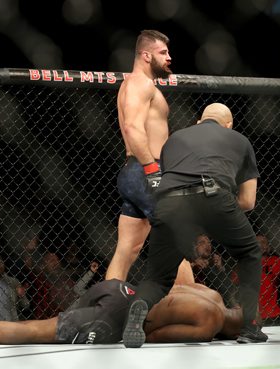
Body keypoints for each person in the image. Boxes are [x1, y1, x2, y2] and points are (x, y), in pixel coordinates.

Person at [122, 102, 268, 347]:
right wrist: (216, 215)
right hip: (214, 196)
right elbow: (248, 201)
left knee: (158, 277)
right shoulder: (239, 140)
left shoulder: (174, 139)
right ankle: (250, 327)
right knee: (249, 252)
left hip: (169, 203)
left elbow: (173, 181)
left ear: (199, 121)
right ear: (228, 125)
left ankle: (140, 307)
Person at [0, 279, 243, 345]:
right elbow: (151, 334)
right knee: (36, 334)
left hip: (117, 287)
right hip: (118, 314)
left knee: (48, 325)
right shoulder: (210, 322)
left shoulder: (211, 294)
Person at [105, 29, 172, 281]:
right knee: (175, 234)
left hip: (137, 171)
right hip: (146, 169)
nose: (168, 57)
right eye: (162, 52)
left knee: (128, 249)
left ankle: (106, 304)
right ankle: (191, 305)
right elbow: (132, 127)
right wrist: (152, 170)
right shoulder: (140, 83)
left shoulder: (135, 85)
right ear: (146, 55)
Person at [191, 234, 238, 308]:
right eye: (202, 242)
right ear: (194, 247)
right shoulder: (188, 264)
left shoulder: (214, 265)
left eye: (209, 243)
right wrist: (193, 264)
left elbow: (229, 290)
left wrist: (220, 269)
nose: (207, 245)